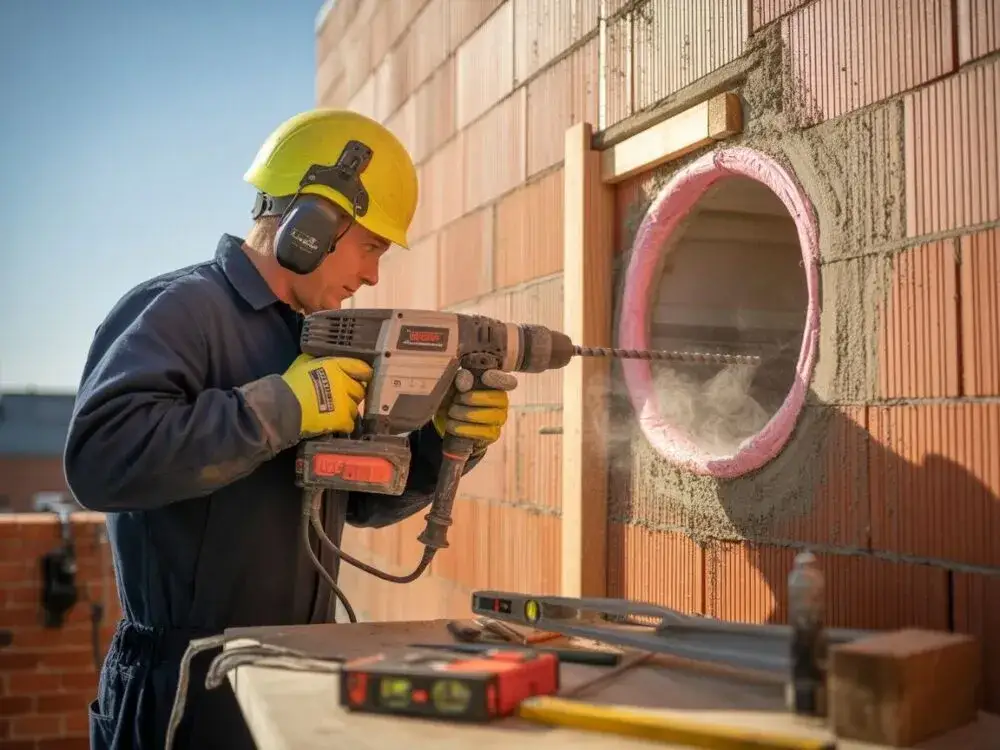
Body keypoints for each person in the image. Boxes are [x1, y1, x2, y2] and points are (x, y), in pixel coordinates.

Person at [64, 109, 515, 749]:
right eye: (372, 247)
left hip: (294, 670)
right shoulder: (180, 310)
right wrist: (284, 406)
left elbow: (353, 500)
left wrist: (442, 445)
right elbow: (100, 461)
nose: (373, 275)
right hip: (185, 695)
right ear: (314, 224)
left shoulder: (317, 339)